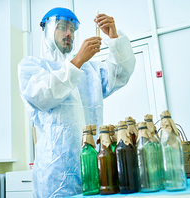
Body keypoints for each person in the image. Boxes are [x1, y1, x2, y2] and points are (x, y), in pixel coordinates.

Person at [18, 7, 136, 197]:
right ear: (47, 30)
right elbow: (43, 96)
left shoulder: (88, 71)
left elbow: (120, 75)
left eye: (73, 29)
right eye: (62, 27)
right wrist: (78, 60)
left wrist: (114, 39)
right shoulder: (32, 67)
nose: (69, 34)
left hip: (92, 167)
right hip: (55, 173)